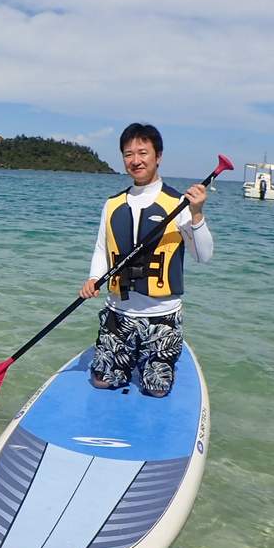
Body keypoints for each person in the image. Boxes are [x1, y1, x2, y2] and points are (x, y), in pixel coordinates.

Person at [78, 123, 213, 398]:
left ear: (158, 156)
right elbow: (102, 249)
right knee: (103, 382)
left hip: (162, 318)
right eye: (128, 154)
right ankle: (127, 356)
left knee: (156, 390)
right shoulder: (112, 204)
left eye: (143, 152)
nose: (135, 160)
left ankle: (153, 358)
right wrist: (93, 278)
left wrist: (197, 214)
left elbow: (204, 256)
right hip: (118, 315)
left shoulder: (180, 204)